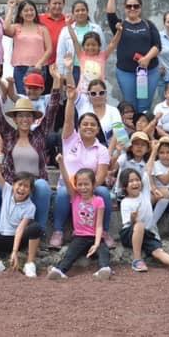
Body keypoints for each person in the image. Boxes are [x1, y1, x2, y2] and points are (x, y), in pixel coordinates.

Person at [0, 66, 63, 235]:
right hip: (12, 184)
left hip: (33, 185)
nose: (24, 119)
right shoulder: (8, 134)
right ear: (15, 118)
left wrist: (56, 79)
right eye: (20, 115)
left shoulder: (40, 134)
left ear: (33, 119)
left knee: (43, 185)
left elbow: (52, 109)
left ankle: (38, 231)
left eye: (28, 116)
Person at [51, 85, 113, 249]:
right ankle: (58, 231)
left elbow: (100, 176)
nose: (88, 127)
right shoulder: (70, 139)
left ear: (98, 129)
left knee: (104, 192)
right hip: (67, 184)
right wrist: (71, 100)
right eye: (85, 124)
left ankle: (104, 231)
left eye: (93, 125)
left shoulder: (102, 150)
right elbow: (68, 120)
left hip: (90, 188)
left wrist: (85, 190)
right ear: (79, 128)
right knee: (63, 193)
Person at [118, 142, 169, 274]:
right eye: (130, 181)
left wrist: (154, 150)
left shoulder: (145, 194)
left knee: (157, 250)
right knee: (139, 225)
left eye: (137, 180)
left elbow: (148, 170)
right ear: (124, 187)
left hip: (146, 233)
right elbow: (128, 224)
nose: (135, 183)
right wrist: (133, 219)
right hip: (129, 234)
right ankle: (137, 260)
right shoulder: (125, 202)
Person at [0, 138, 43, 277]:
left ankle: (30, 263)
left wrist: (14, 252)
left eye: (26, 186)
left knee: (36, 228)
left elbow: (20, 229)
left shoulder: (30, 206)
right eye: (19, 185)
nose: (21, 189)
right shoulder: (7, 190)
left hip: (18, 239)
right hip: (1, 237)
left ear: (30, 191)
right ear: (13, 185)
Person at [47, 154, 112, 281]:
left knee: (104, 251)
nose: (83, 187)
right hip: (80, 237)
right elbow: (66, 180)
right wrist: (61, 163)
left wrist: (97, 243)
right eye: (80, 184)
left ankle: (104, 269)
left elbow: (99, 225)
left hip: (95, 236)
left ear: (93, 184)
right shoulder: (75, 197)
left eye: (86, 184)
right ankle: (60, 271)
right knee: (70, 253)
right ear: (76, 186)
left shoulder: (99, 201)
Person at [105, 0, 161, 113]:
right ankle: (132, 126)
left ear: (140, 8)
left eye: (136, 6)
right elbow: (110, 14)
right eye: (129, 6)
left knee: (144, 106)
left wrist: (147, 58)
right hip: (126, 72)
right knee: (130, 105)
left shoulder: (148, 24)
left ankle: (142, 126)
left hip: (148, 71)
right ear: (124, 8)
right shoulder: (120, 25)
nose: (132, 9)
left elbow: (157, 45)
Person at [4, 0, 53, 95]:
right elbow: (5, 28)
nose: (29, 13)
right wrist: (11, 8)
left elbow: (49, 49)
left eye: (31, 10)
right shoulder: (16, 27)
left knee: (38, 97)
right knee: (23, 98)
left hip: (38, 68)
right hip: (21, 68)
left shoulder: (42, 29)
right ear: (20, 13)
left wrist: (39, 63)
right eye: (25, 11)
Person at [55, 0, 104, 84]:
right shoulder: (65, 30)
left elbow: (102, 49)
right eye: (77, 11)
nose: (80, 13)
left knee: (91, 91)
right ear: (73, 13)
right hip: (74, 69)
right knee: (74, 92)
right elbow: (60, 53)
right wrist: (61, 73)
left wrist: (101, 68)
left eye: (83, 10)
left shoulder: (96, 28)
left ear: (87, 11)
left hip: (92, 68)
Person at [65, 21, 123, 92]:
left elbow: (113, 43)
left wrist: (119, 31)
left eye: (94, 45)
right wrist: (68, 24)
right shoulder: (81, 55)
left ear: (99, 46)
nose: (90, 47)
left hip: (98, 93)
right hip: (82, 92)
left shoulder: (103, 56)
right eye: (88, 45)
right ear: (83, 46)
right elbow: (74, 40)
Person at [38, 0, 69, 90]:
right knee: (43, 94)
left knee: (60, 95)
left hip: (62, 66)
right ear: (48, 4)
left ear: (63, 4)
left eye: (60, 3)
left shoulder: (69, 21)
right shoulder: (39, 19)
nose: (57, 6)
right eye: (54, 3)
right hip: (44, 64)